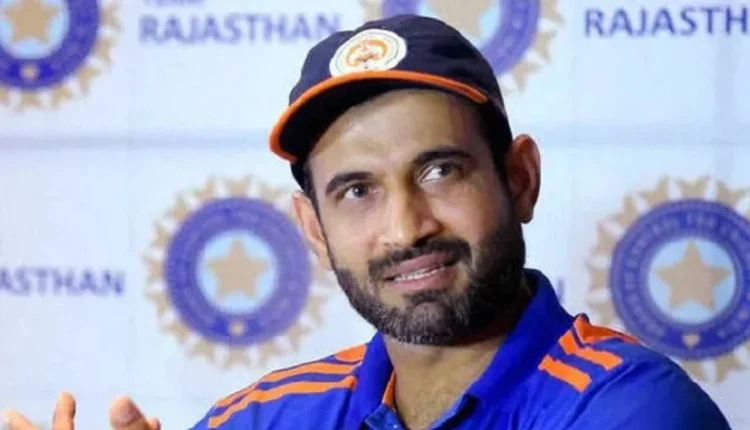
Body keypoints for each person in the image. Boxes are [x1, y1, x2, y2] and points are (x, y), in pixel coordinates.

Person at [4, 14, 731, 430]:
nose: (406, 228)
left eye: (440, 171)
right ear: (314, 230)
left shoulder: (630, 409)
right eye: (357, 191)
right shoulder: (271, 416)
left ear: (519, 180)